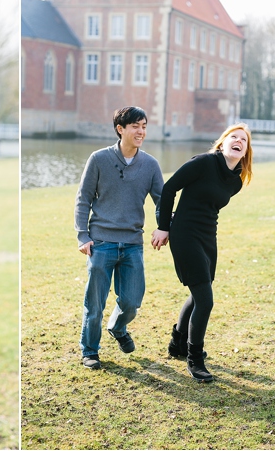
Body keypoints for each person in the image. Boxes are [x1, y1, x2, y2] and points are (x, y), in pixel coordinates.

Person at [151, 123, 253, 383]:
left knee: (200, 292)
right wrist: (164, 227)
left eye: (244, 140)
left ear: (246, 151)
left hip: (208, 236)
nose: (238, 141)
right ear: (223, 142)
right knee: (205, 300)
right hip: (184, 234)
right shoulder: (203, 163)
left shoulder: (236, 181)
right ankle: (194, 359)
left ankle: (177, 344)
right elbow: (170, 188)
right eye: (234, 136)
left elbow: (210, 208)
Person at [74, 106, 164, 370]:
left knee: (132, 302)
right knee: (95, 304)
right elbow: (83, 200)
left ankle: (117, 327)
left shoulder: (150, 165)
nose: (141, 131)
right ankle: (90, 350)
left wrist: (164, 226)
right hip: (101, 243)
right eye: (136, 126)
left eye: (144, 126)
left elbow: (162, 201)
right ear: (120, 129)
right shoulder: (99, 159)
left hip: (133, 244)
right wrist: (83, 235)